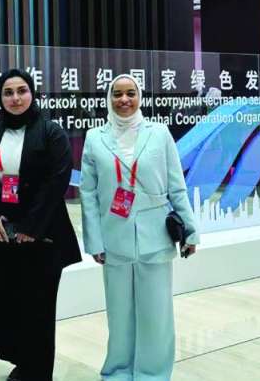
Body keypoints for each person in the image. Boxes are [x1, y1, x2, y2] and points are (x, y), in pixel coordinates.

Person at [80, 74, 199, 381]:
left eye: (130, 93)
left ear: (139, 97)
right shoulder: (95, 138)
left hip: (155, 236)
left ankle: (152, 373)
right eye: (117, 94)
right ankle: (117, 371)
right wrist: (94, 241)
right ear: (109, 98)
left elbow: (177, 186)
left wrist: (190, 230)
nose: (124, 100)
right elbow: (88, 194)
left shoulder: (159, 134)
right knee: (119, 313)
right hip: (114, 237)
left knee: (156, 314)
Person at [0, 69, 82, 381]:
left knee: (39, 306)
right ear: (0, 98)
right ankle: (21, 363)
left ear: (33, 94)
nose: (15, 98)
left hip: (40, 235)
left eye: (21, 91)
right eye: (8, 92)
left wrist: (32, 226)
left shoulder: (51, 132)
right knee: (7, 301)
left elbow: (57, 181)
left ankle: (38, 372)